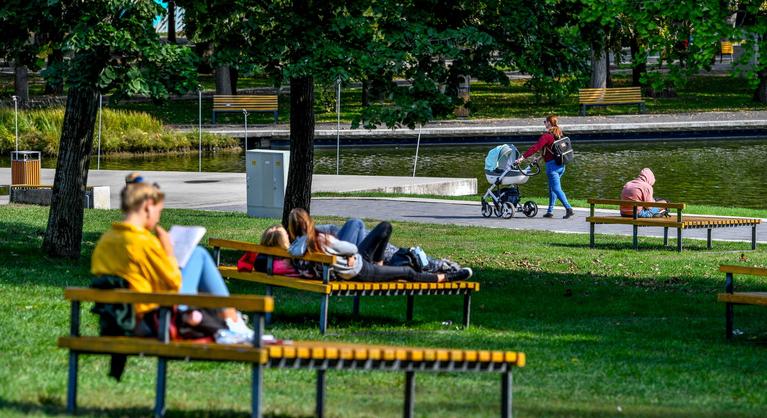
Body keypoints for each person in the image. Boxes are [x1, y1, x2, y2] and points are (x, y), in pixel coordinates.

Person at [91, 174, 253, 343]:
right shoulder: (143, 242)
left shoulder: (105, 241)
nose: (159, 218)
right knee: (199, 254)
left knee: (197, 256)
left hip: (114, 319)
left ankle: (231, 320)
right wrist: (168, 251)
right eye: (159, 211)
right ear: (148, 206)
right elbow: (173, 282)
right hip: (152, 320)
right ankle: (233, 321)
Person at [286, 208, 472, 282]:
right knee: (407, 273)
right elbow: (350, 249)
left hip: (353, 266)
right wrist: (347, 252)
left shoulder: (296, 247)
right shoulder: (320, 239)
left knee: (375, 226)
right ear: (309, 222)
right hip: (359, 270)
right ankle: (445, 278)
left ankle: (380, 262)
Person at [515, 115, 574, 219]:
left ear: (549, 123)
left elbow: (535, 147)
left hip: (552, 167)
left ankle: (569, 209)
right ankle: (550, 211)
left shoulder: (546, 136)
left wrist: (522, 157)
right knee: (552, 189)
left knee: (556, 189)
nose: (544, 123)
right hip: (561, 165)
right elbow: (554, 150)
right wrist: (540, 158)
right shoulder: (558, 133)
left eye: (545, 122)